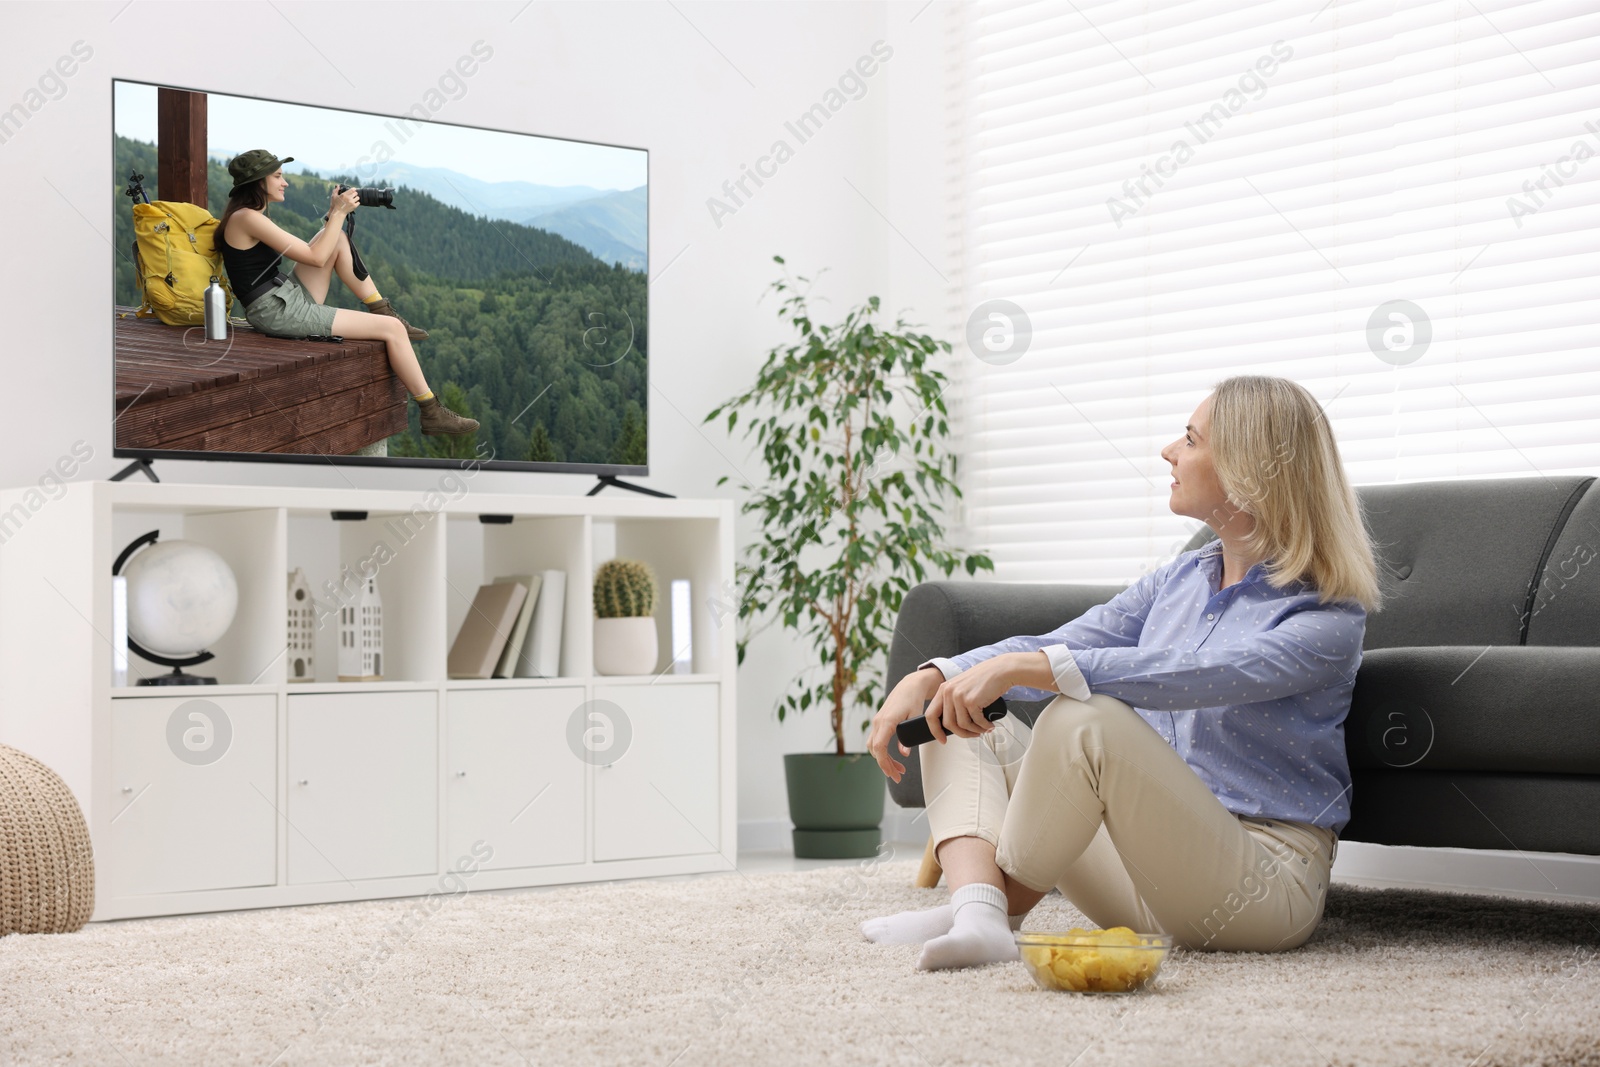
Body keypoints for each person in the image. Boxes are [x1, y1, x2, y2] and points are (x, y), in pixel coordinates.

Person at [863, 375, 1381, 972]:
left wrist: (1025, 668)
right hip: (1143, 873)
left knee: (1087, 717)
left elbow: (1196, 673)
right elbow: (1063, 643)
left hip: (1260, 885)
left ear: (1250, 468)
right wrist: (934, 674)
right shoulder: (1181, 578)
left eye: (1190, 438)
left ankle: (985, 913)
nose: (1169, 452)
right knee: (959, 714)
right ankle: (981, 913)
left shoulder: (1327, 616)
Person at [215, 149, 478, 437]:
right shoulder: (246, 218)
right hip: (277, 311)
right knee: (391, 331)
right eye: (277, 176)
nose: (285, 182)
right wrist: (339, 212)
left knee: (337, 238)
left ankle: (382, 309)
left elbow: (316, 252)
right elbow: (313, 257)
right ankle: (431, 412)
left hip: (284, 295)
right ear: (257, 182)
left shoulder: (246, 215)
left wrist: (333, 216)